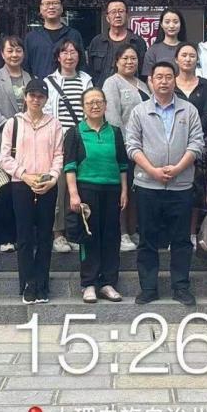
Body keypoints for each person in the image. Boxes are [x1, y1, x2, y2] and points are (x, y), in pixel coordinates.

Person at [126, 61, 205, 306]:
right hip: (147, 185)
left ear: (175, 80)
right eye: (158, 77)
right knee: (147, 238)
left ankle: (180, 286)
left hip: (181, 186)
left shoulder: (189, 110)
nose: (163, 81)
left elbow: (197, 144)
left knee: (181, 239)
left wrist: (179, 168)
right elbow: (132, 145)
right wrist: (152, 171)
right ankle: (148, 288)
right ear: (150, 81)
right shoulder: (139, 111)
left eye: (168, 77)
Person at [0, 79, 63, 304]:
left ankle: (42, 284)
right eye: (32, 95)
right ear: (25, 97)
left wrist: (53, 178)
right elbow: (5, 157)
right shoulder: (13, 123)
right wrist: (24, 175)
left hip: (47, 184)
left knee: (45, 236)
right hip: (21, 184)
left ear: (46, 99)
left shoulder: (54, 124)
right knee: (25, 236)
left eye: (40, 96)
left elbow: (58, 155)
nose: (36, 100)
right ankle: (28, 283)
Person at [64, 88, 127, 303]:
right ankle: (89, 283)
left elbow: (122, 165)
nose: (95, 105)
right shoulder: (75, 132)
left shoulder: (115, 132)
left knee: (111, 236)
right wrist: (74, 195)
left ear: (105, 105)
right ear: (83, 107)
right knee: (89, 236)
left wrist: (124, 190)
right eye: (90, 102)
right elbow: (69, 166)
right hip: (86, 189)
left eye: (99, 101)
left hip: (112, 190)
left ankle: (108, 283)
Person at [43, 39, 93, 253]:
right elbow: (46, 112)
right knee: (61, 188)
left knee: (79, 187)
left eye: (73, 52)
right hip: (58, 140)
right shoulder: (49, 81)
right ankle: (58, 234)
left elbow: (91, 108)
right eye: (64, 52)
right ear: (58, 56)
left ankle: (75, 232)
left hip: (82, 139)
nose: (69, 56)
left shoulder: (86, 80)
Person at [0, 35, 32, 253]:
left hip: (26, 143)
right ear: (2, 54)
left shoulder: (30, 78)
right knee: (1, 190)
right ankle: (3, 237)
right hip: (1, 140)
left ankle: (21, 235)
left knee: (21, 191)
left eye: (18, 50)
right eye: (10, 51)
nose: (14, 55)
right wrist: (12, 126)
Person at [102, 44, 151, 252]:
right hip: (124, 147)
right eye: (125, 58)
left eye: (133, 58)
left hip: (145, 148)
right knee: (122, 190)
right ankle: (122, 233)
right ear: (116, 61)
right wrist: (126, 145)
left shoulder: (143, 84)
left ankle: (132, 229)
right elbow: (112, 116)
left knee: (136, 190)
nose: (130, 62)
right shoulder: (112, 83)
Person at [173, 42, 207, 250]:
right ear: (176, 59)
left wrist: (192, 131)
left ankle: (191, 233)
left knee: (195, 189)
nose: (188, 59)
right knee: (175, 191)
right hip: (173, 142)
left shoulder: (205, 84)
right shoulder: (170, 82)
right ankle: (175, 234)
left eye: (192, 55)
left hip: (198, 143)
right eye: (184, 55)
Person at [24, 0, 85, 79]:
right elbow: (25, 67)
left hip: (68, 85)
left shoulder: (74, 35)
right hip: (39, 86)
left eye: (55, 3)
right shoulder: (31, 37)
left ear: (62, 8)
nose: (51, 7)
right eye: (47, 4)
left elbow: (82, 65)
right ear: (40, 9)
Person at [86, 0, 147, 87]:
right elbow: (91, 71)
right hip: (101, 92)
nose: (117, 15)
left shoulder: (137, 42)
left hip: (130, 92)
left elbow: (143, 74)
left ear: (127, 15)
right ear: (107, 17)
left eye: (121, 11)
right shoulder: (97, 42)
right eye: (113, 12)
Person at [141, 8, 187, 78]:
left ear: (181, 24)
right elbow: (149, 78)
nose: (171, 26)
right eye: (167, 22)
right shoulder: (153, 50)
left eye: (175, 22)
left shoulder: (187, 49)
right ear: (161, 24)